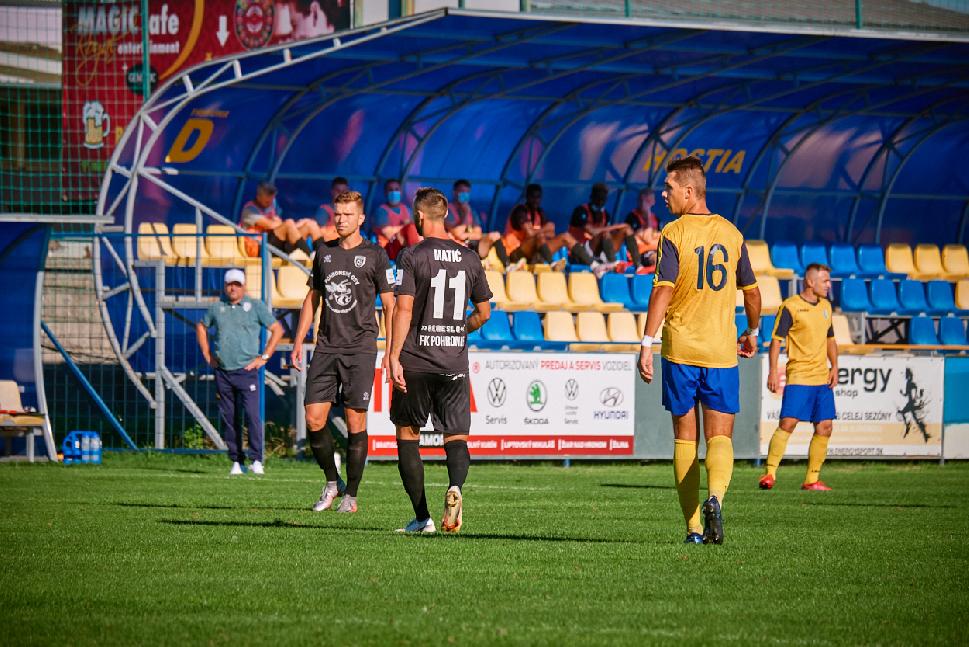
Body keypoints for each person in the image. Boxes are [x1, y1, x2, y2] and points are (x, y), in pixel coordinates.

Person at [637, 156, 761, 545]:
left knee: (685, 437)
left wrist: (646, 342)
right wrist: (752, 331)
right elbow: (752, 293)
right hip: (721, 352)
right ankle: (715, 498)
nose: (664, 194)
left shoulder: (673, 233)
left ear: (689, 191)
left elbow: (663, 289)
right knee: (720, 437)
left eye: (669, 188)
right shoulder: (732, 233)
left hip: (681, 350)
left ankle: (693, 528)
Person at [388, 187, 492, 534]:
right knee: (456, 436)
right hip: (453, 362)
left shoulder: (411, 255)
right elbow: (484, 313)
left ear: (419, 217)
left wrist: (393, 356)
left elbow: (403, 309)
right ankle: (455, 486)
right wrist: (459, 329)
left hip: (417, 359)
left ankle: (422, 518)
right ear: (445, 215)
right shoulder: (469, 257)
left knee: (407, 434)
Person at [290, 190, 396, 513]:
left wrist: (391, 351)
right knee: (313, 418)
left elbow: (390, 305)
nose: (340, 219)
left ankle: (351, 494)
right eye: (337, 213)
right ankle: (332, 481)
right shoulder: (324, 251)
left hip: (360, 349)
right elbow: (312, 298)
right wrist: (298, 340)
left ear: (361, 218)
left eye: (347, 214)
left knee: (355, 421)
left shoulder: (376, 255)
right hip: (326, 346)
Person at [197, 269, 284, 476]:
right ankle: (236, 460)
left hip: (247, 371)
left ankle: (257, 460)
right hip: (223, 371)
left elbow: (277, 329)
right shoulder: (217, 307)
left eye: (237, 284)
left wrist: (264, 357)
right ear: (225, 286)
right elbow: (201, 326)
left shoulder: (255, 306)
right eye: (229, 284)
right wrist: (208, 355)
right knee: (230, 417)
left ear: (244, 286)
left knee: (252, 416)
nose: (233, 288)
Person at [761, 263, 838, 492]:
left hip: (822, 377)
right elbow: (776, 341)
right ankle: (769, 473)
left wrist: (835, 366)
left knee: (825, 427)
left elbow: (830, 339)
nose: (829, 285)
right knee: (788, 423)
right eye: (825, 281)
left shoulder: (826, 306)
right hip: (799, 375)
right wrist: (773, 370)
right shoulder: (790, 306)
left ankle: (812, 480)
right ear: (810, 282)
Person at [502, 183, 579, 268]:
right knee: (540, 237)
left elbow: (552, 233)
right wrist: (545, 229)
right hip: (514, 253)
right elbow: (530, 233)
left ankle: (590, 264)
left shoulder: (540, 213)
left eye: (538, 197)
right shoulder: (520, 211)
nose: (536, 200)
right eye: (533, 197)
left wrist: (539, 231)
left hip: (533, 253)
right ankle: (552, 264)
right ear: (527, 197)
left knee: (565, 237)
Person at [240, 181, 320, 258]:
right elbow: (272, 225)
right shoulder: (250, 210)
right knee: (289, 223)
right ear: (259, 195)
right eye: (267, 195)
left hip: (274, 245)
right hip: (258, 249)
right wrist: (297, 224)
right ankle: (310, 256)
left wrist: (298, 224)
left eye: (272, 195)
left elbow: (280, 225)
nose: (270, 198)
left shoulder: (272, 206)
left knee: (310, 224)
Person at [568, 183, 635, 267]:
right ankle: (612, 263)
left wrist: (621, 230)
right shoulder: (581, 211)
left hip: (597, 252)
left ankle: (637, 265)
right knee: (605, 233)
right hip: (578, 251)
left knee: (625, 231)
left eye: (603, 199)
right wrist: (619, 226)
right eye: (598, 198)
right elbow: (593, 231)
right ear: (592, 197)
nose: (600, 202)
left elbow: (609, 236)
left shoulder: (605, 215)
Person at [446, 179, 508, 266]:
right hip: (453, 249)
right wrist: (466, 213)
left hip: (470, 245)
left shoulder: (472, 212)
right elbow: (458, 233)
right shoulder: (447, 210)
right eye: (462, 192)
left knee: (495, 236)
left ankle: (507, 265)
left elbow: (478, 233)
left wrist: (466, 235)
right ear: (454, 192)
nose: (464, 195)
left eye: (467, 192)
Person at [374, 179, 421, 260]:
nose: (394, 192)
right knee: (410, 227)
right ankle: (417, 258)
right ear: (385, 193)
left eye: (396, 189)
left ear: (401, 192)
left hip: (406, 247)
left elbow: (416, 232)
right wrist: (405, 226)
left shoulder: (407, 210)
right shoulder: (381, 211)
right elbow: (387, 233)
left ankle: (417, 257)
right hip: (389, 248)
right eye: (390, 190)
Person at [624, 188, 661, 267]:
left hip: (655, 250)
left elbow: (660, 239)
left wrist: (649, 239)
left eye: (648, 201)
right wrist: (648, 215)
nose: (644, 204)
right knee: (656, 258)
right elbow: (638, 240)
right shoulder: (632, 217)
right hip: (640, 254)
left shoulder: (656, 219)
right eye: (642, 201)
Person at [315, 176, 349, 242]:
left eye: (344, 191)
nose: (341, 194)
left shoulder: (352, 211)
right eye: (338, 191)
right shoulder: (324, 210)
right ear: (332, 191)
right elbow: (319, 233)